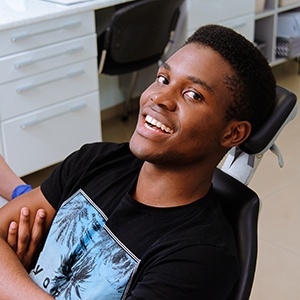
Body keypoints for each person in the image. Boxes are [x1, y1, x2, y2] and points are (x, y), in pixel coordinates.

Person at [0, 24, 276, 300]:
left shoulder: (200, 258)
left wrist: (16, 284)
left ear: (233, 133)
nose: (160, 98)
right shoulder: (95, 160)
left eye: (193, 95)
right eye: (163, 78)